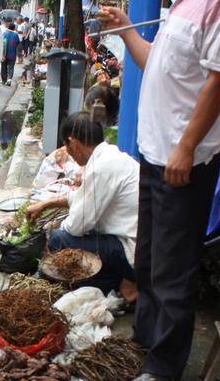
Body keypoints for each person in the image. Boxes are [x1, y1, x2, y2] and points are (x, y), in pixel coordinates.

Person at [98, 0, 220, 381]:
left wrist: (186, 148)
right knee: (149, 260)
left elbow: (218, 82)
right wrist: (123, 28)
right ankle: (146, 342)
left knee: (173, 266)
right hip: (157, 154)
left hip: (185, 161)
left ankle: (163, 368)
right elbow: (153, 63)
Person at [27, 113, 139, 301]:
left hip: (133, 252)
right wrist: (47, 203)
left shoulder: (101, 168)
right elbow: (81, 197)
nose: (69, 153)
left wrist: (53, 233)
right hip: (141, 244)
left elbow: (76, 227)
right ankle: (123, 281)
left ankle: (119, 283)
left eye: (67, 147)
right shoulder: (110, 155)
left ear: (74, 143)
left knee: (58, 240)